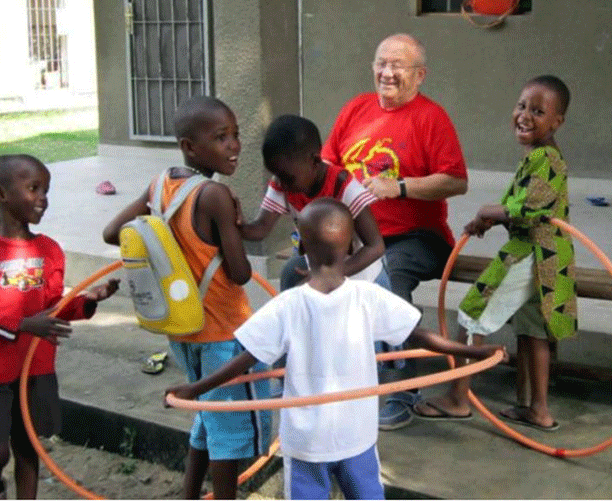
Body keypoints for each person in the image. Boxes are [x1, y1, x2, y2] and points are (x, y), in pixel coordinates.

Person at [166, 198, 506, 500]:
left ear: (301, 246)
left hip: (307, 442)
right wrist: (475, 353)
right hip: (355, 437)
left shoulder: (288, 305)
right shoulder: (368, 297)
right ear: (351, 246)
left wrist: (197, 388)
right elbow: (420, 336)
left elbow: (244, 360)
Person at [102, 96, 270, 500]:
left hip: (183, 331)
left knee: (206, 418)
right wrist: (234, 224)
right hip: (225, 333)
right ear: (189, 146)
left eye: (235, 135)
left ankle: (189, 494)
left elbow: (112, 233)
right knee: (228, 430)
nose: (233, 145)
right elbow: (241, 273)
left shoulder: (160, 186)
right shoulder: (214, 195)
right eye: (220, 137)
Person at [321, 33, 469, 429]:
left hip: (417, 238)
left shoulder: (431, 117)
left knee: (384, 276)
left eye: (397, 66)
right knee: (301, 275)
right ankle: (328, 374)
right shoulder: (356, 108)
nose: (387, 73)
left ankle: (398, 385)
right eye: (381, 63)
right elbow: (327, 165)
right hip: (357, 235)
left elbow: (456, 180)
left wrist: (400, 186)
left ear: (420, 75)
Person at [413, 75, 576, 431]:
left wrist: (488, 211)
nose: (524, 115)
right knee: (534, 331)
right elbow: (517, 201)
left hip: (531, 252)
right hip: (549, 259)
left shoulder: (546, 158)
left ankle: (458, 399)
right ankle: (539, 410)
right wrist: (486, 219)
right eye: (521, 106)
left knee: (472, 313)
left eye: (538, 110)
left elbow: (527, 210)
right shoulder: (537, 156)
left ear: (556, 122)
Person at [0, 154, 119, 500]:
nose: (43, 198)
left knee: (27, 446)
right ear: (0, 194)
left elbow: (55, 307)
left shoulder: (49, 250)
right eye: (34, 188)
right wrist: (24, 324)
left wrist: (90, 300)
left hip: (35, 368)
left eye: (46, 190)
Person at [238, 114, 387, 291]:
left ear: (315, 161)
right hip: (322, 273)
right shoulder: (284, 181)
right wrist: (236, 223)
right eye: (276, 175)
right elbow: (261, 228)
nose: (280, 184)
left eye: (286, 178)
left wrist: (330, 275)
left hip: (363, 280)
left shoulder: (343, 186)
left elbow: (375, 247)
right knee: (290, 275)